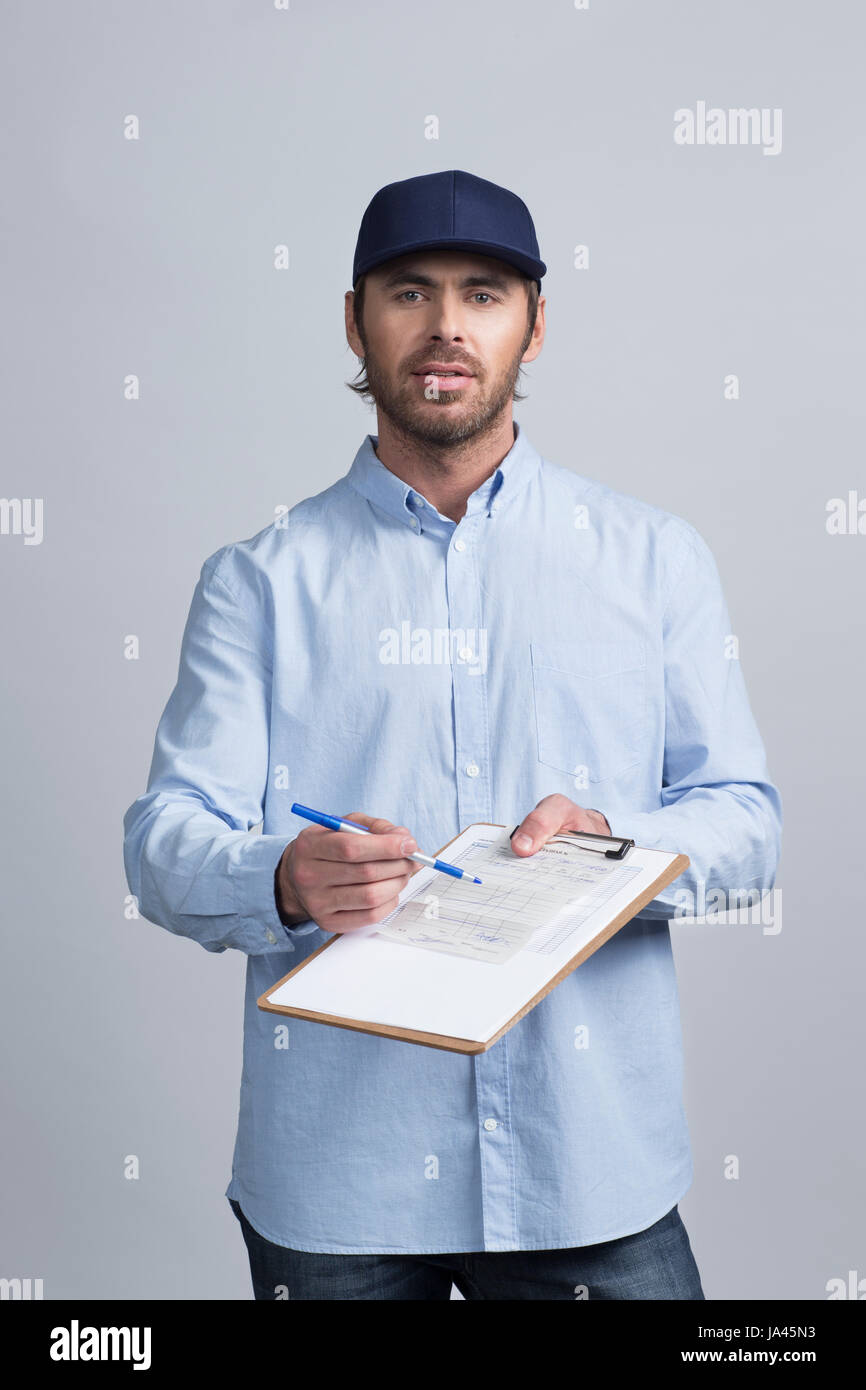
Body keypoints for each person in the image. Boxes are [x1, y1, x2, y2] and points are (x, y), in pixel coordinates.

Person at [123, 169, 782, 1300]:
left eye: (483, 294)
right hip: (336, 1186)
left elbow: (747, 831)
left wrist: (609, 852)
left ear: (534, 325)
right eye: (407, 292)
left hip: (590, 1180)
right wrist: (280, 875)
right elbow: (162, 842)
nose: (444, 328)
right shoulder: (257, 583)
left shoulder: (651, 559)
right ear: (352, 320)